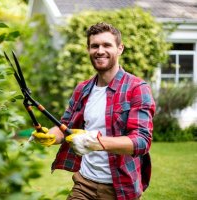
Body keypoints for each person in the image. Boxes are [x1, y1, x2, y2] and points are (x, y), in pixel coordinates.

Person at [30, 22, 156, 200]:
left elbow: (142, 142)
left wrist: (95, 143)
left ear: (120, 49)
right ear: (88, 49)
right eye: (94, 46)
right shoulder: (83, 89)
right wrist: (51, 136)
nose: (100, 50)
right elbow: (65, 126)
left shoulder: (137, 88)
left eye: (107, 45)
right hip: (84, 183)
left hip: (119, 187)